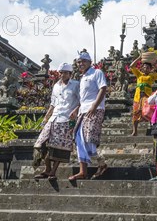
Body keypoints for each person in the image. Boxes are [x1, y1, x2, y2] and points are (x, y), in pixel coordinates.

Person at [33, 63, 79, 180]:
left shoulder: (76, 85)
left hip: (67, 119)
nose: (62, 75)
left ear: (70, 73)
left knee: (60, 147)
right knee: (40, 143)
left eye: (64, 72)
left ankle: (53, 172)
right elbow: (53, 103)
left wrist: (75, 111)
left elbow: (81, 100)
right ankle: (47, 168)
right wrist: (46, 117)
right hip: (54, 117)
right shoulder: (56, 86)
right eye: (60, 72)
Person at [69, 52, 108, 181]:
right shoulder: (82, 78)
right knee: (80, 139)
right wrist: (76, 109)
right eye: (79, 62)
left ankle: (101, 164)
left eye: (83, 61)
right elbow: (83, 98)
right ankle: (83, 171)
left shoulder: (97, 73)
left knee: (89, 137)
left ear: (90, 62)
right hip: (83, 111)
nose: (81, 64)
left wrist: (94, 106)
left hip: (95, 110)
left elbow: (103, 89)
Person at [130, 54, 157, 136]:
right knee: (136, 113)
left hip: (147, 97)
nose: (146, 68)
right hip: (138, 97)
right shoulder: (139, 74)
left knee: (149, 112)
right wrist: (139, 58)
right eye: (144, 67)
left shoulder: (151, 76)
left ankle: (152, 128)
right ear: (142, 68)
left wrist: (154, 65)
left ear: (150, 69)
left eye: (148, 67)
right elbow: (131, 66)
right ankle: (135, 131)